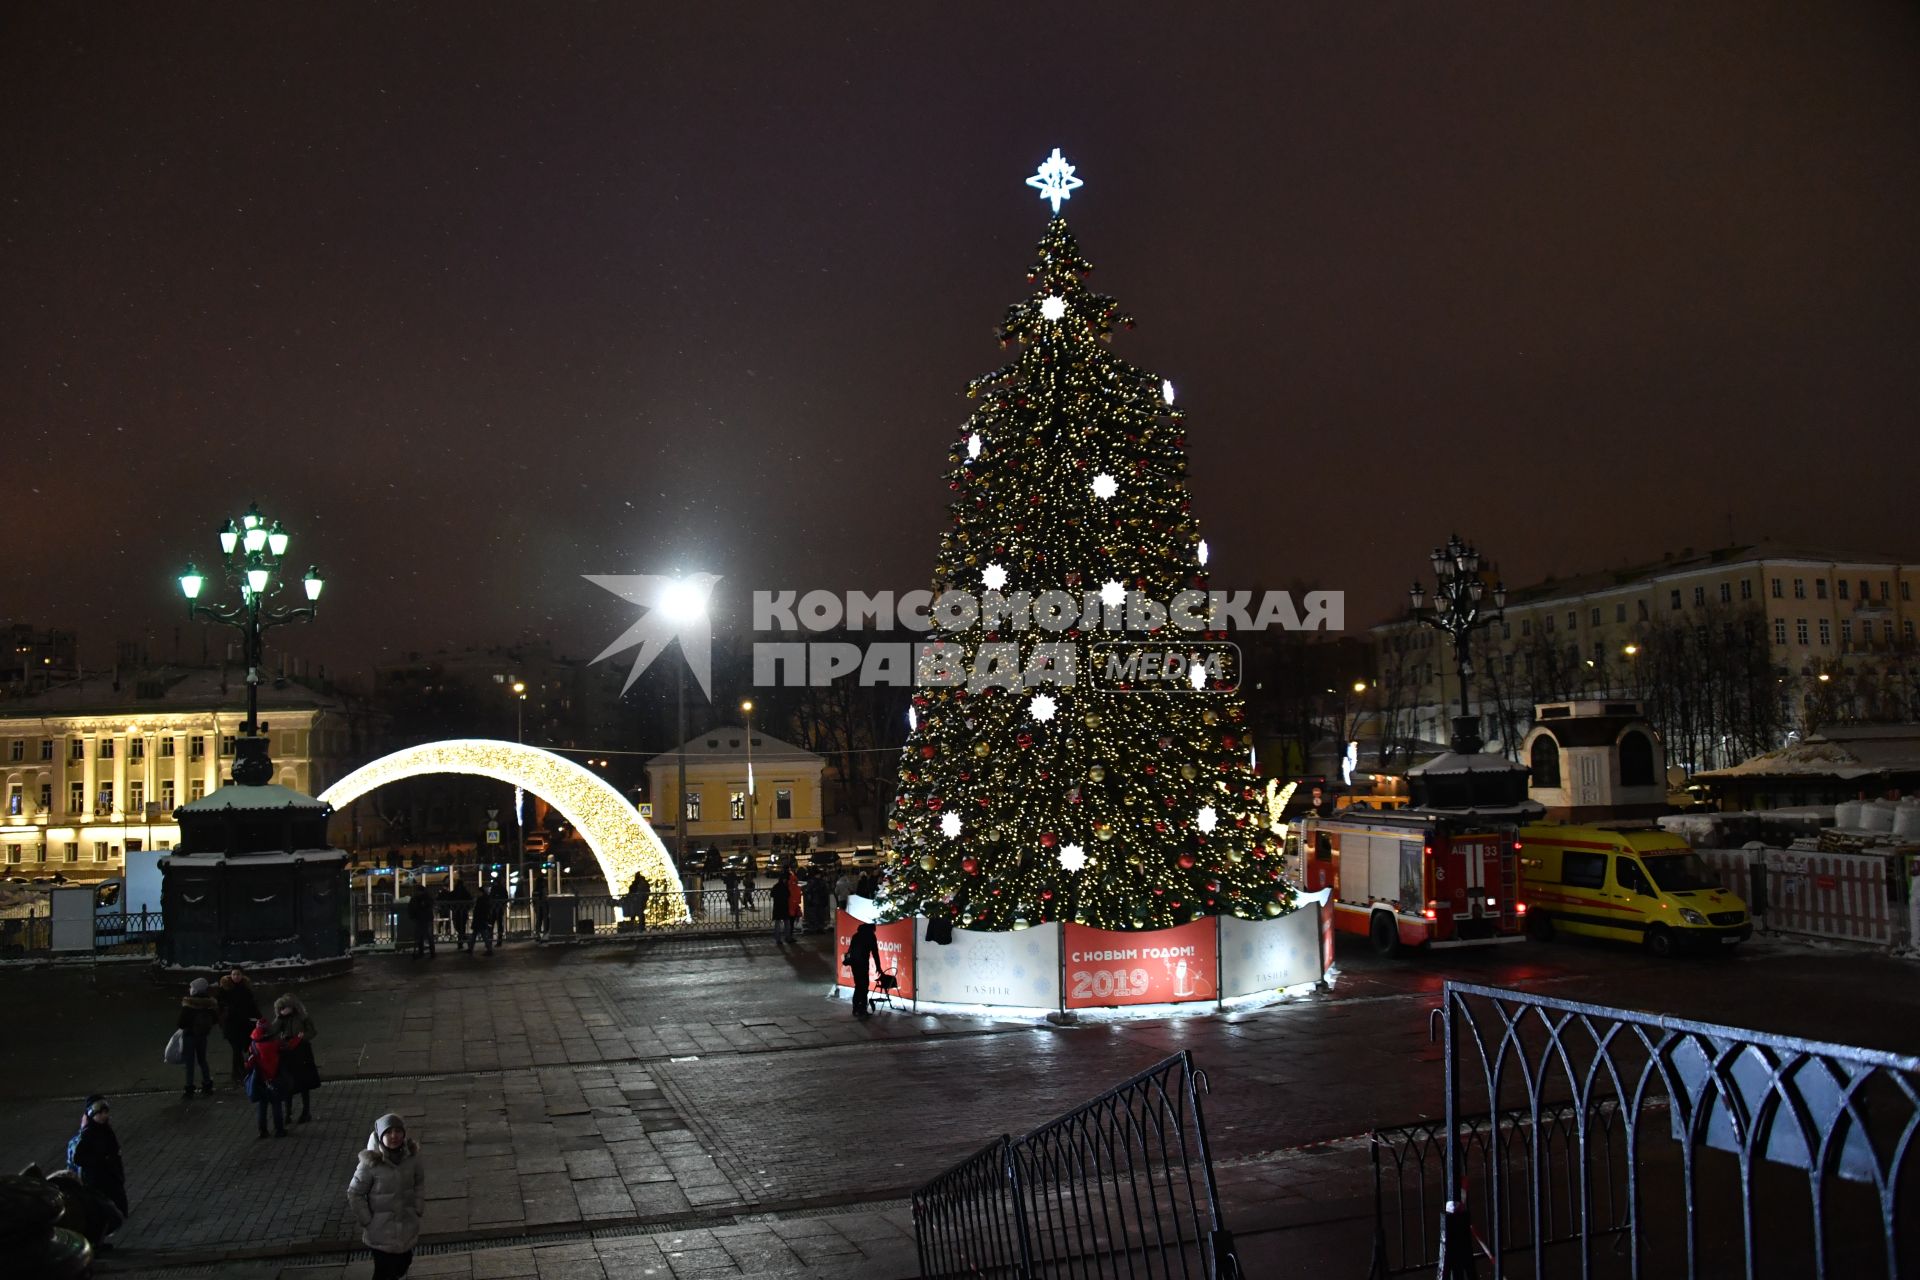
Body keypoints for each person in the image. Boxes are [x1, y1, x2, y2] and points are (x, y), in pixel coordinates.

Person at [347, 1113, 427, 1280]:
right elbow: (355, 1193)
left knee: (403, 1263)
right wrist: (367, 1220)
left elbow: (419, 1182)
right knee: (384, 1273)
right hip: (380, 1231)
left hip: (406, 1226)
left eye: (398, 1131)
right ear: (380, 1135)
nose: (394, 1136)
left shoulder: (411, 1158)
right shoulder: (369, 1164)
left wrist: (418, 1206)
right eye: (389, 1132)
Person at [65, 1095, 127, 1236]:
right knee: (103, 1212)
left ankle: (99, 1238)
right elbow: (78, 1158)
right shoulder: (89, 1134)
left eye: (106, 1112)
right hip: (97, 1181)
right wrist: (101, 1160)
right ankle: (96, 1239)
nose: (104, 1116)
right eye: (100, 1113)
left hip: (109, 1178)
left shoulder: (106, 1130)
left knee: (114, 1211)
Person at [271, 993, 321, 1123]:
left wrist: (302, 1038)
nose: (284, 1010)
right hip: (288, 1053)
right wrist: (279, 1018)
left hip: (302, 1051)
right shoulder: (282, 1019)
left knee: (304, 1083)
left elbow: (312, 1032)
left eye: (286, 1007)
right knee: (288, 1084)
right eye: (281, 1008)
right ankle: (288, 1113)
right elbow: (272, 1031)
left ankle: (306, 1112)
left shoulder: (303, 1018)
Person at [244, 1019, 296, 1138]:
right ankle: (279, 1130)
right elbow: (288, 1047)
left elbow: (248, 1064)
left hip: (261, 1080)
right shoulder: (275, 1044)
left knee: (262, 1106)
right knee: (276, 1105)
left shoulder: (253, 1046)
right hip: (275, 1079)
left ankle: (263, 1131)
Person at [216, 968, 261, 1084]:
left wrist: (260, 1018)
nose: (236, 976)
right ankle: (237, 1072)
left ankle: (241, 1071)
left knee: (241, 1048)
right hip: (231, 1025)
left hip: (244, 1024)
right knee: (236, 1049)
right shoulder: (224, 990)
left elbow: (252, 1006)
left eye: (238, 974)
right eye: (234, 974)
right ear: (230, 975)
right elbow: (219, 1006)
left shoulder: (246, 989)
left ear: (242, 975)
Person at [177, 977, 219, 1098]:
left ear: (195, 990)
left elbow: (180, 1023)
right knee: (202, 1060)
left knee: (189, 1062)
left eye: (191, 987)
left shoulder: (188, 1004)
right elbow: (215, 1019)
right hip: (202, 1036)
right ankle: (207, 1083)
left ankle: (189, 1087)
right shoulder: (209, 1004)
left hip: (189, 1036)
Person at [843, 920, 880, 1019]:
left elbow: (850, 950)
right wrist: (879, 967)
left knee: (858, 985)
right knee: (864, 986)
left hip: (855, 964)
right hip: (863, 963)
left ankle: (856, 1008)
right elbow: (875, 953)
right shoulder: (870, 936)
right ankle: (862, 1009)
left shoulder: (856, 935)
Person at [407, 881, 437, 958]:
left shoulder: (416, 898)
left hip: (421, 918)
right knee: (428, 935)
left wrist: (412, 916)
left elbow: (412, 908)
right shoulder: (427, 897)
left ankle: (422, 952)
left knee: (421, 936)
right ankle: (431, 952)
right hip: (426, 918)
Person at [466, 888, 495, 955]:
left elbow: (479, 910)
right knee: (477, 934)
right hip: (481, 919)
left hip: (479, 919)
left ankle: (489, 949)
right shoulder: (484, 899)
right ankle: (471, 948)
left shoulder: (481, 900)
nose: (476, 894)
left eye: (477, 892)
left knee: (482, 935)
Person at [446, 879, 473, 946]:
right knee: (462, 927)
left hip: (457, 912)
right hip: (463, 912)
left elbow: (449, 900)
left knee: (458, 926)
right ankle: (463, 939)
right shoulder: (465, 892)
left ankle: (461, 940)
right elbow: (470, 901)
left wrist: (452, 908)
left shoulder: (455, 892)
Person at [770, 868, 793, 943]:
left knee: (777, 923)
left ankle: (778, 939)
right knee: (786, 922)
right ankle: (787, 937)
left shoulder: (775, 886)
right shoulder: (785, 887)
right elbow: (788, 895)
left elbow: (772, 894)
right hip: (784, 906)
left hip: (777, 907)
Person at [486, 875, 509, 945]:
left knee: (491, 924)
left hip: (493, 909)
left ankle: (490, 939)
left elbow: (490, 897)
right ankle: (499, 940)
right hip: (499, 908)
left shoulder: (494, 888)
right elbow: (506, 898)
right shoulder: (502, 888)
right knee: (499, 925)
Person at [531, 874, 549, 938]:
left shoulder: (535, 889)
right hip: (543, 907)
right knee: (545, 920)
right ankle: (545, 933)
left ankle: (538, 934)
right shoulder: (542, 889)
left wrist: (535, 906)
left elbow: (533, 899)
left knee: (539, 920)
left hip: (537, 907)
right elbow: (545, 898)